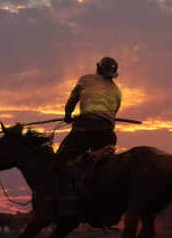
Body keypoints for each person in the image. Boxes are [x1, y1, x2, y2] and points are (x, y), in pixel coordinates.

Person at [52, 56, 122, 214]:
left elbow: (72, 101)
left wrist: (68, 116)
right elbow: (110, 114)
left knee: (60, 159)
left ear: (98, 67)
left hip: (86, 128)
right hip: (107, 133)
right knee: (100, 168)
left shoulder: (86, 79)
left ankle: (78, 178)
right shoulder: (117, 91)